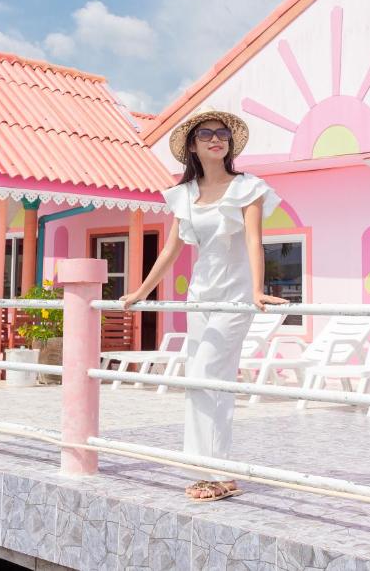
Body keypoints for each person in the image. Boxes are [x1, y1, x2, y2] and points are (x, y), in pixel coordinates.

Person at [121, 108, 287, 502]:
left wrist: (258, 290)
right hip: (199, 298)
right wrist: (142, 292)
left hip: (234, 298)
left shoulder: (248, 188)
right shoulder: (186, 195)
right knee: (202, 382)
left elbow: (252, 241)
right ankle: (210, 470)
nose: (217, 139)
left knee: (206, 375)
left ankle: (217, 472)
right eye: (207, 134)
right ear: (193, 147)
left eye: (223, 134)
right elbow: (171, 250)